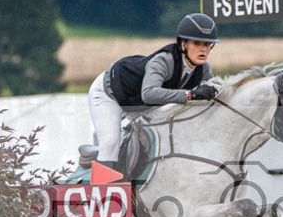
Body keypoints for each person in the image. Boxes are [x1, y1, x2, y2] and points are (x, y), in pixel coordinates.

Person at [88, 13, 221, 171]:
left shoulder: (203, 69)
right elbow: (149, 94)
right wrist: (190, 95)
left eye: (207, 44)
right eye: (197, 43)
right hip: (109, 94)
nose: (203, 50)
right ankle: (102, 192)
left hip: (140, 103)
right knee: (110, 144)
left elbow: (216, 91)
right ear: (183, 44)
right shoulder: (164, 60)